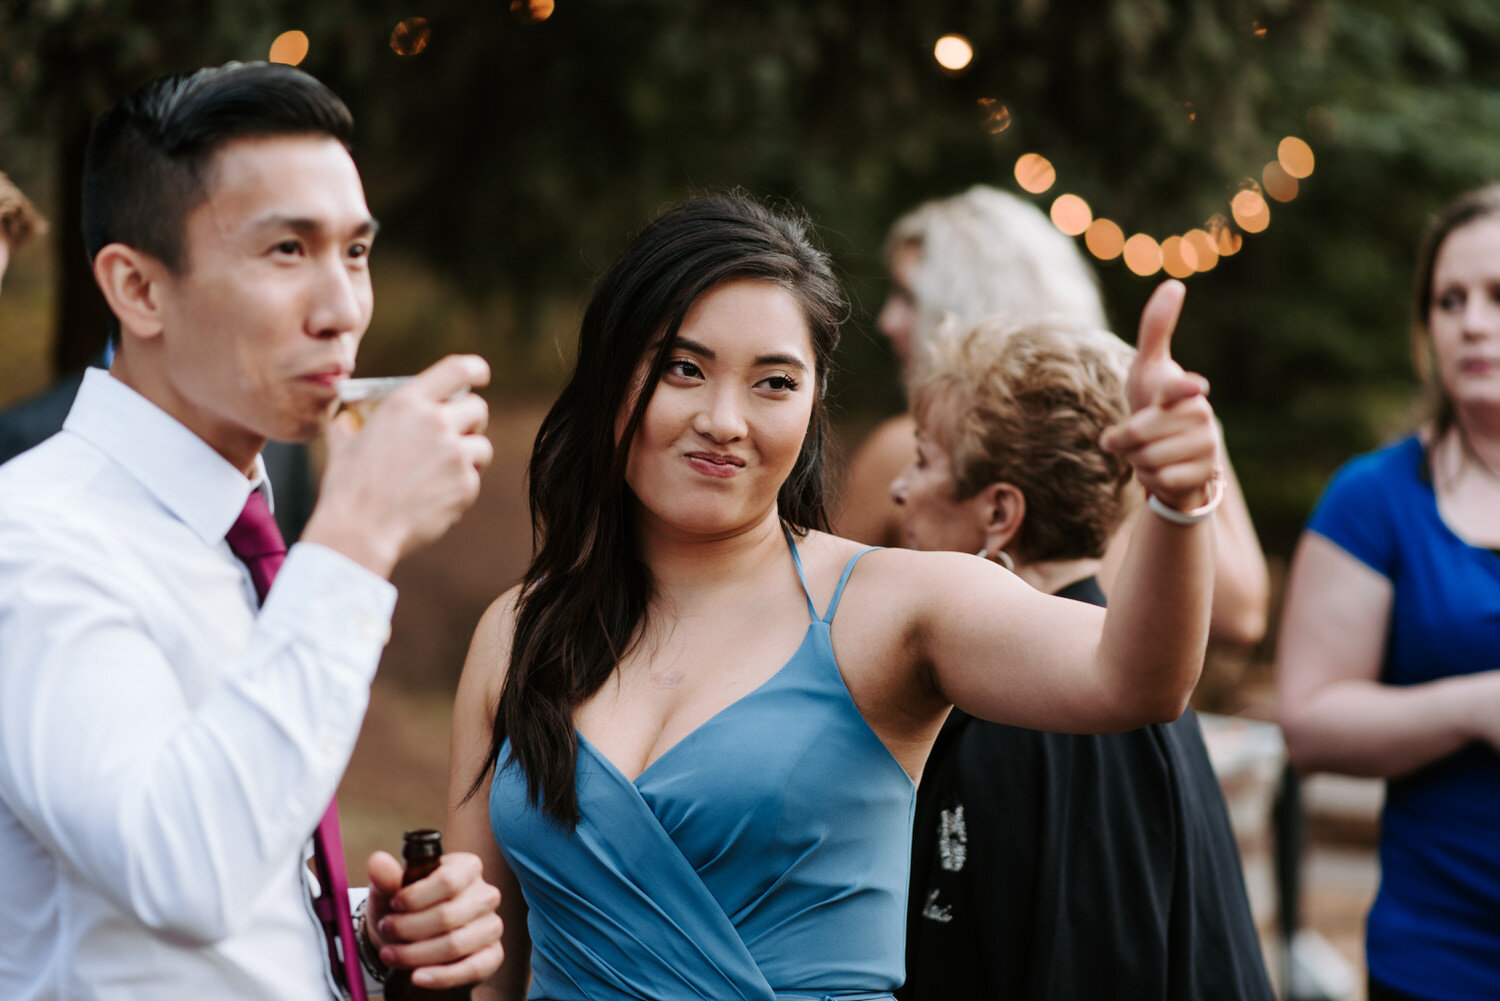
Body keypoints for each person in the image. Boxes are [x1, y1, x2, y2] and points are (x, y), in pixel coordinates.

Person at [447, 193, 1223, 1000]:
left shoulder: (891, 606)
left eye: (774, 383)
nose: (724, 419)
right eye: (685, 367)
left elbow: (1134, 677)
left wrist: (1179, 501)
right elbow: (475, 973)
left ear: (814, 404)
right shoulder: (517, 630)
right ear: (613, 376)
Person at [0, 63, 503, 999]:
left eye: (355, 252)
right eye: (286, 251)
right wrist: (356, 537)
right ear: (138, 289)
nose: (344, 309)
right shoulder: (31, 541)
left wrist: (359, 931)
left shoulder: (244, 533)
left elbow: (209, 882)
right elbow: (177, 867)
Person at [889, 317, 1273, 1000]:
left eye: (922, 458)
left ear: (999, 512)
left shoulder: (1035, 718)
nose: (898, 489)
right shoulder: (1109, 669)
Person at [840, 185, 1270, 648]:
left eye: (908, 296)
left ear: (970, 299)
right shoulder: (1132, 420)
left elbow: (812, 613)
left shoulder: (1150, 427)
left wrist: (1185, 476)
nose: (887, 320)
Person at [1276, 185, 1500, 1001]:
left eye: (1497, 296)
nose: (1472, 321)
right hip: (1441, 957)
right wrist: (1477, 705)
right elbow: (1308, 723)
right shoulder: (1374, 499)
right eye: (1451, 299)